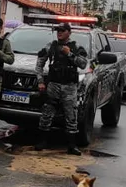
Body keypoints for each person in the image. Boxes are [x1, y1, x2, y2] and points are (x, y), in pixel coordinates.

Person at [34, 22, 88, 156]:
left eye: (62, 30)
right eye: (58, 30)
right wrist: (40, 81)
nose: (59, 32)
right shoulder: (51, 46)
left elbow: (83, 64)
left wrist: (70, 54)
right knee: (47, 113)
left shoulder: (76, 47)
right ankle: (42, 141)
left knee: (71, 115)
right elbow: (39, 64)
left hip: (69, 86)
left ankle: (72, 145)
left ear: (69, 32)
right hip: (54, 84)